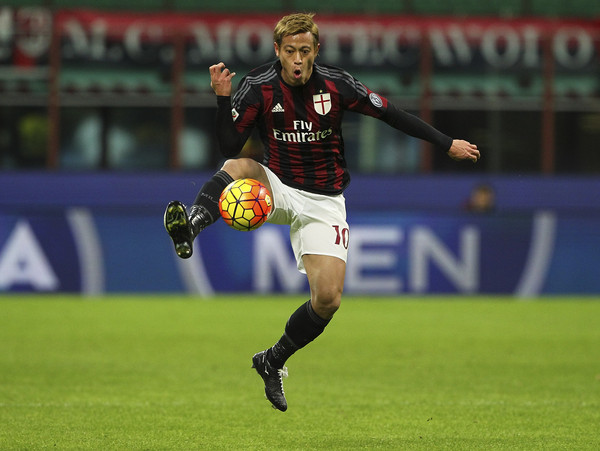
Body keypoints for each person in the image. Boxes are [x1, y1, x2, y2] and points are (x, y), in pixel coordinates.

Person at [164, 12, 480, 412]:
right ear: (277, 50)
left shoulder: (337, 84)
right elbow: (230, 145)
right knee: (237, 167)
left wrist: (446, 142)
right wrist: (222, 98)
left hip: (324, 201)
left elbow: (392, 114)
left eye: (305, 51)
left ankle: (272, 360)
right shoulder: (257, 87)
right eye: (290, 51)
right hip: (276, 185)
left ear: (316, 51)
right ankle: (191, 226)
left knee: (328, 299)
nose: (298, 60)